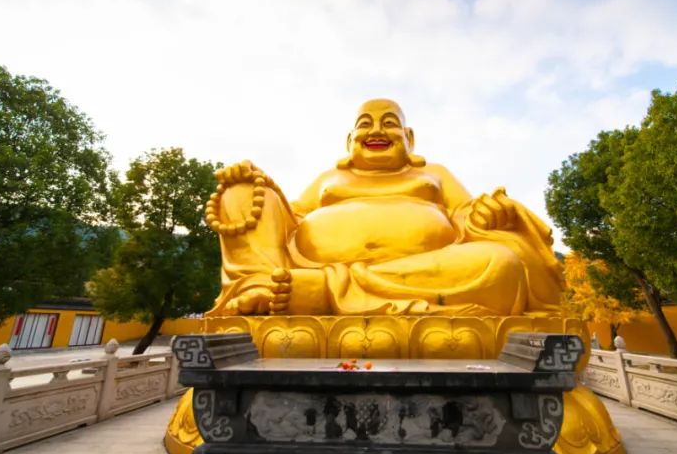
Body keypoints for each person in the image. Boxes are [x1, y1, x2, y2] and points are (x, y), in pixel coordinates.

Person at [205, 98, 563, 317]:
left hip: (421, 271)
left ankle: (320, 293)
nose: (376, 130)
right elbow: (287, 218)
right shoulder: (329, 179)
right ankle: (268, 287)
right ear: (350, 142)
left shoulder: (434, 175)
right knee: (242, 193)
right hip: (301, 267)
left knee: (501, 264)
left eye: (389, 123)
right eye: (365, 124)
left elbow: (465, 214)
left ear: (409, 138)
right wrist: (253, 182)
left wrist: (488, 214)